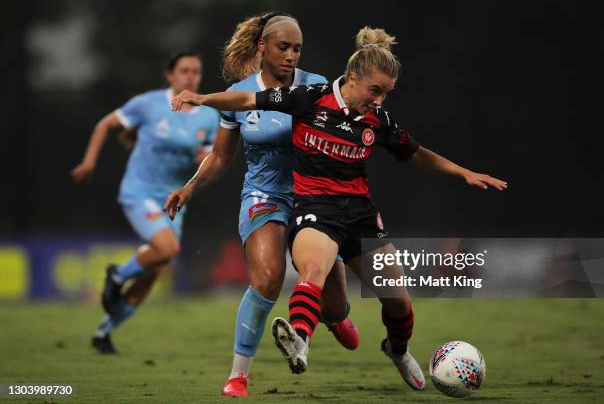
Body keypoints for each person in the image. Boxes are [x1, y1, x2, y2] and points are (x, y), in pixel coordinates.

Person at [167, 27, 508, 391]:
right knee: (310, 271)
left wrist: (463, 172)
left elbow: (416, 154)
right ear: (353, 77)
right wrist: (203, 99)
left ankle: (397, 350)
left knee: (399, 304)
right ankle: (298, 341)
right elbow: (248, 100)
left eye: (386, 94)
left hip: (360, 215)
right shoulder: (308, 98)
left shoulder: (379, 120)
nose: (378, 101)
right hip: (315, 210)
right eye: (374, 91)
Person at [164, 13, 359, 397]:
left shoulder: (318, 87)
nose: (291, 55)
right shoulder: (239, 95)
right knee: (268, 278)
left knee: (334, 305)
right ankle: (238, 375)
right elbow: (220, 157)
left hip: (313, 196)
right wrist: (189, 187)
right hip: (264, 195)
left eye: (297, 48)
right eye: (283, 47)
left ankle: (334, 319)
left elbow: (347, 145)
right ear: (262, 48)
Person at [72, 51, 219, 354]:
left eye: (196, 71)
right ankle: (117, 275)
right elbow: (105, 125)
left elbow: (210, 158)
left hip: (174, 200)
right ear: (170, 75)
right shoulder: (149, 104)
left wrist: (205, 160)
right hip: (139, 192)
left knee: (154, 270)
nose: (190, 76)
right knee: (168, 249)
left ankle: (104, 332)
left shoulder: (208, 115)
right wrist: (88, 164)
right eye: (184, 70)